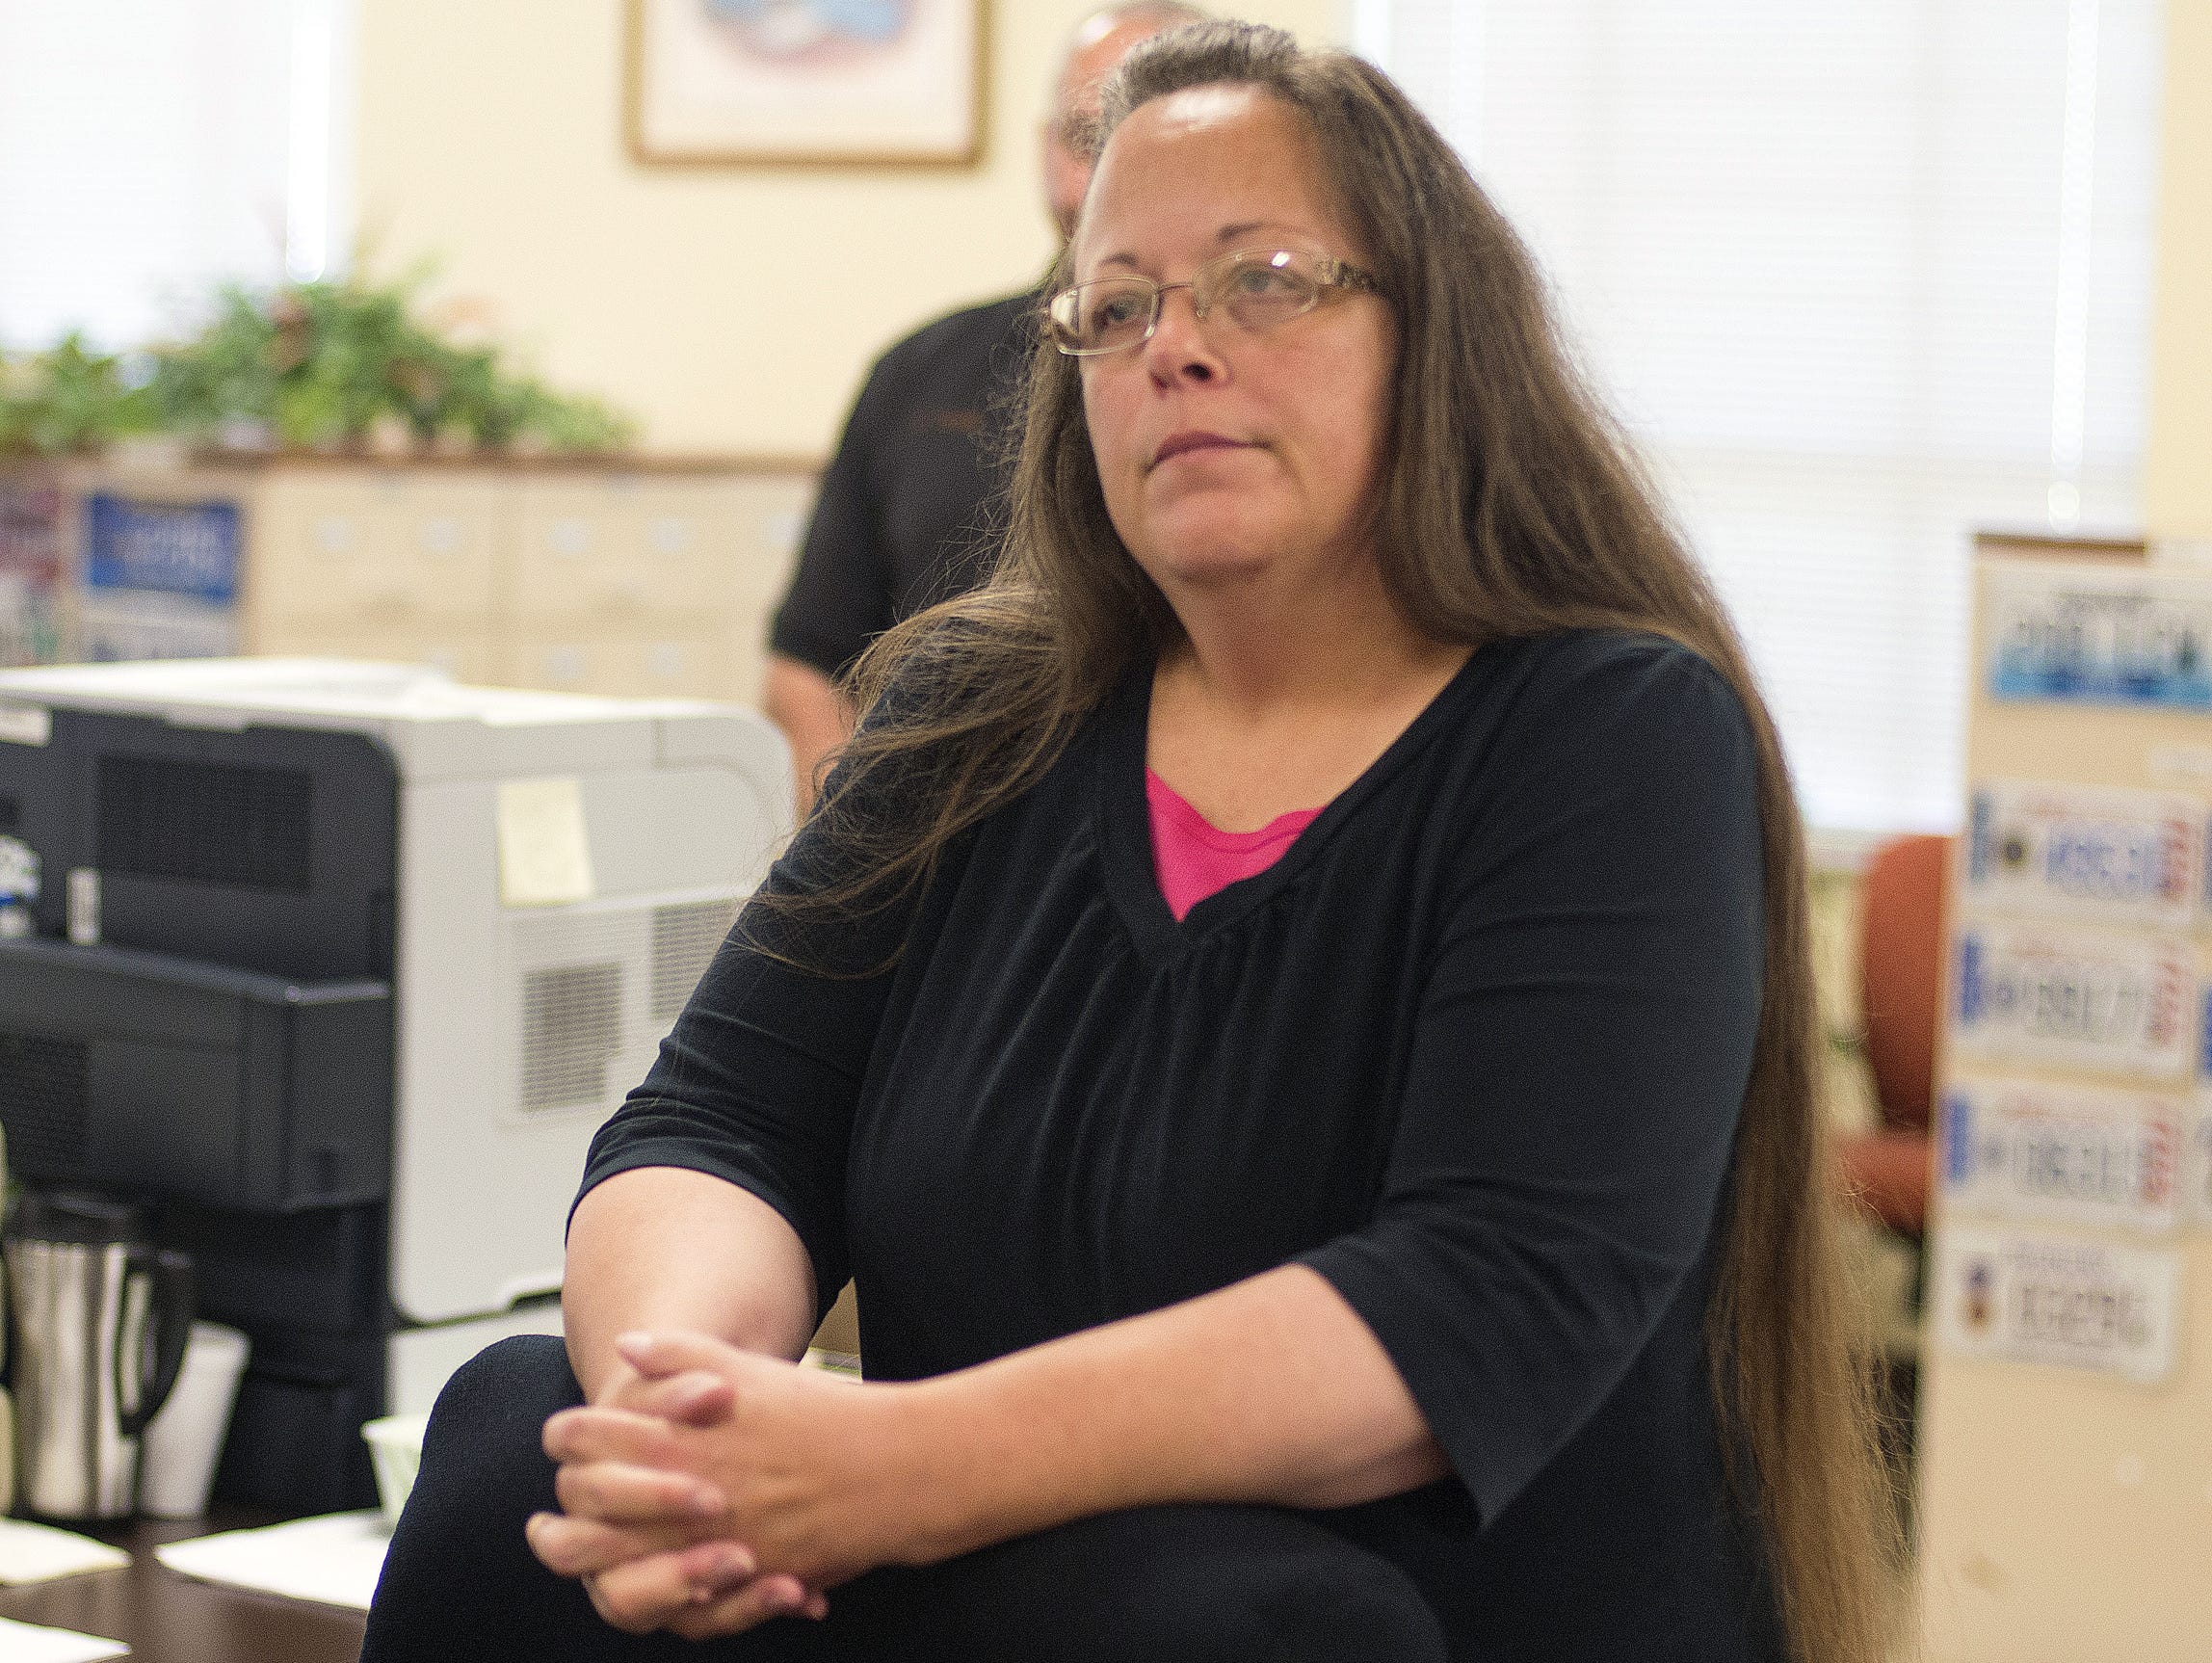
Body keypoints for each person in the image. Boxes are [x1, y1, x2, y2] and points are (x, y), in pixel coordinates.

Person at [361, 21, 1898, 1663]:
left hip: (1388, 1624)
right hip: (1016, 1603)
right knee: (519, 1428)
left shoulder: (1608, 736)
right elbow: (721, 1123)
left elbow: (1477, 1305)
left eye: (1266, 279)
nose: (1176, 347)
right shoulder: (973, 712)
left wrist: (887, 1466)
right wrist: (686, 1428)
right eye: (1116, 308)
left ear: (1436, 336)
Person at [764, 3, 1207, 811]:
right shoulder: (919, 373)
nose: (1115, 179)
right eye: (1088, 139)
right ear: (1045, 152)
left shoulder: (1250, 381)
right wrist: (855, 874)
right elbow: (810, 666)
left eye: (1153, 143)